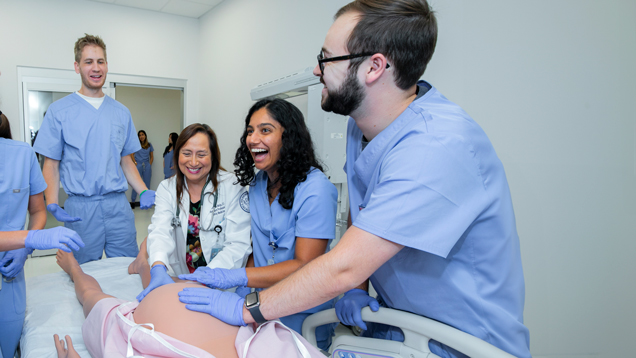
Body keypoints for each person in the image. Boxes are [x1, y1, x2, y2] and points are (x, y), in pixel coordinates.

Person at [181, 1, 532, 358]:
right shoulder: (360, 128)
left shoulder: (436, 146)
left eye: (326, 59)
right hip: (397, 326)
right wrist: (358, 287)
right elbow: (360, 214)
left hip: (463, 341)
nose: (317, 71)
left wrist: (245, 308)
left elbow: (343, 266)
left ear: (374, 67)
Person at [179, 99, 338, 350]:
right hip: (258, 303)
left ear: (289, 136)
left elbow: (305, 265)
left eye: (265, 130)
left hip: (302, 309)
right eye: (250, 131)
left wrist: (236, 276)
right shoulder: (257, 184)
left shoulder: (315, 189)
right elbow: (256, 247)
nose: (253, 139)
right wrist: (243, 291)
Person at [53, 247, 324, 358]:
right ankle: (146, 263)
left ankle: (77, 269)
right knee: (161, 281)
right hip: (221, 310)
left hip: (145, 323)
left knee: (93, 297)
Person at [33, 34, 155, 265]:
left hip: (118, 206)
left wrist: (143, 190)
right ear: (77, 66)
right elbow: (51, 164)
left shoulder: (121, 112)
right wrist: (51, 202)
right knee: (81, 273)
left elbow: (126, 161)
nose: (96, 68)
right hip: (81, 208)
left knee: (127, 267)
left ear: (107, 65)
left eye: (100, 61)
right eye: (88, 62)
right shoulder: (59, 111)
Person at [0, 110, 85, 358]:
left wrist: (23, 248)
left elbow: (37, 212)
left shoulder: (21, 153)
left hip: (9, 271)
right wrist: (30, 239)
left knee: (10, 341)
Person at [136, 123, 251, 302]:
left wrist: (209, 276)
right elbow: (160, 231)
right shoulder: (167, 188)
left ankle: (141, 259)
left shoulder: (232, 186)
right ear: (177, 154)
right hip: (183, 276)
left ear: (213, 156)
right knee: (150, 268)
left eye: (202, 154)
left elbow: (239, 244)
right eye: (187, 153)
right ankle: (142, 260)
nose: (194, 162)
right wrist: (158, 266)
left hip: (222, 279)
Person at [130, 130, 154, 205]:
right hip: (139, 165)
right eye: (140, 135)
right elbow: (131, 154)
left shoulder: (149, 145)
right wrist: (135, 163)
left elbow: (152, 156)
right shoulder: (136, 145)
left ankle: (147, 202)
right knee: (136, 183)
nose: (141, 136)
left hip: (147, 165)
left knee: (147, 184)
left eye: (142, 135)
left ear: (145, 136)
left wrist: (149, 164)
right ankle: (133, 201)